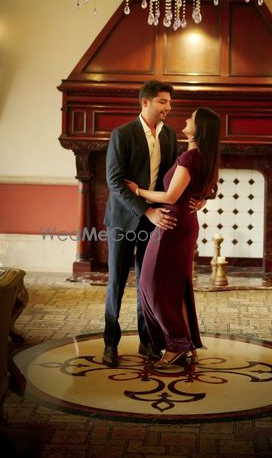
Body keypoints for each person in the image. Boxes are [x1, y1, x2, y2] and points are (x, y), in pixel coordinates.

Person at [126, 106, 221, 368]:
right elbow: (210, 189)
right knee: (175, 287)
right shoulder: (205, 156)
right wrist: (201, 199)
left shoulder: (191, 157)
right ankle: (186, 343)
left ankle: (176, 345)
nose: (187, 119)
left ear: (200, 129)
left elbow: (170, 196)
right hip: (185, 224)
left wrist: (138, 191)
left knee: (152, 284)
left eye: (192, 118)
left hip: (171, 225)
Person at [102, 80, 179, 367]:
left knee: (147, 284)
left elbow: (172, 179)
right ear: (145, 102)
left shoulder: (170, 135)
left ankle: (147, 342)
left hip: (153, 222)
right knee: (116, 282)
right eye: (162, 101)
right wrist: (146, 211)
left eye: (169, 102)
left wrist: (197, 198)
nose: (168, 107)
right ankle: (110, 343)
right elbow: (115, 182)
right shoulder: (122, 134)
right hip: (123, 220)